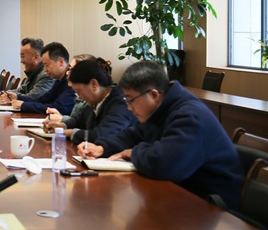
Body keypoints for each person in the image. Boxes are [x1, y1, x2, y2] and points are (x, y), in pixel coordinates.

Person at [78, 61, 244, 209]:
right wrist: (102, 147)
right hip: (182, 194)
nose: (129, 107)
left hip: (212, 205)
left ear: (154, 95)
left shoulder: (189, 116)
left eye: (130, 100)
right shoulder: (159, 109)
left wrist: (134, 152)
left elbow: (165, 164)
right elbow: (132, 135)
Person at [46, 58, 136, 145]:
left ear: (94, 84)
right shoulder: (96, 100)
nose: (79, 97)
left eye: (78, 91)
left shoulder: (121, 104)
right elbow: (78, 120)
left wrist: (66, 132)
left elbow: (100, 135)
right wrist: (62, 126)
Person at [8, 42, 75, 115]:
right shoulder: (59, 80)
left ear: (61, 62)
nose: (45, 70)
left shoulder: (72, 81)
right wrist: (17, 97)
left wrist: (24, 105)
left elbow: (58, 108)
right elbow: (42, 100)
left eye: (47, 65)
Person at [43, 53, 96, 136]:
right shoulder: (80, 94)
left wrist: (62, 120)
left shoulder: (93, 99)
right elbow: (77, 121)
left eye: (71, 69)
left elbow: (91, 132)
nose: (67, 73)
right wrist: (62, 123)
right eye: (68, 69)